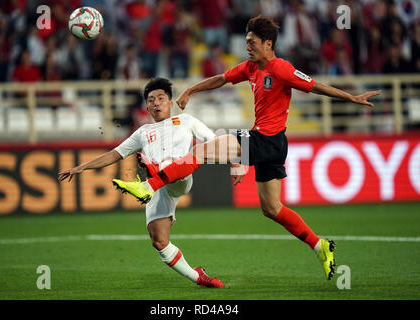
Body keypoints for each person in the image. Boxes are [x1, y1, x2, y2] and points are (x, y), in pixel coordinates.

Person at [114, 16, 381, 281]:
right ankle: (319, 245)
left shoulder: (282, 68)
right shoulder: (251, 67)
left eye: (252, 42)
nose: (247, 46)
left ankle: (148, 186)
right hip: (272, 143)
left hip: (266, 139)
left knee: (201, 151)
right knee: (272, 208)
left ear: (268, 43)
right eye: (246, 41)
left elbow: (315, 86)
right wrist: (191, 91)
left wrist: (352, 97)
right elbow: (220, 79)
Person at [58, 78, 225, 288]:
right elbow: (114, 154)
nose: (156, 103)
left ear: (171, 103)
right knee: (159, 241)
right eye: (151, 100)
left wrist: (238, 164)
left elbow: (215, 141)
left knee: (165, 163)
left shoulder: (187, 121)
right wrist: (81, 167)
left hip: (181, 177)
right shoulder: (142, 133)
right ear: (146, 106)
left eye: (161, 98)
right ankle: (198, 276)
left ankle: (154, 172)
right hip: (160, 187)